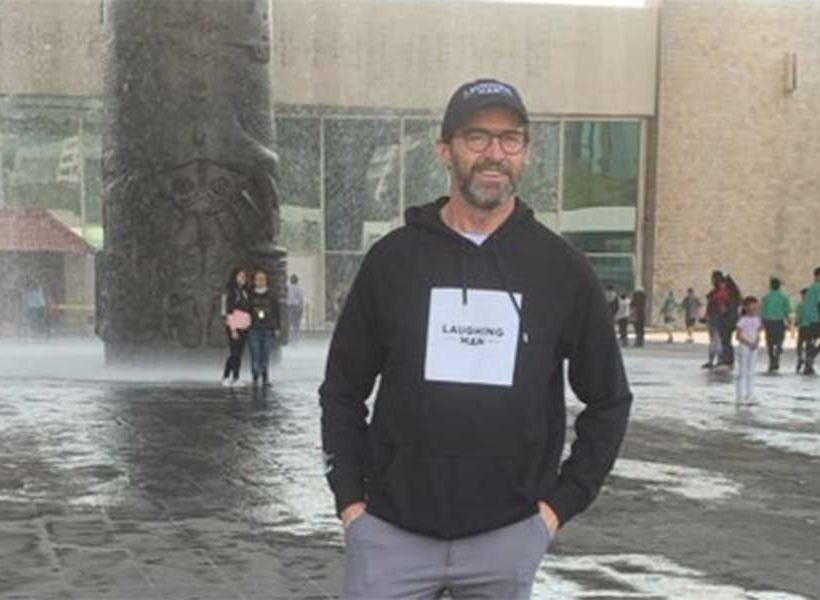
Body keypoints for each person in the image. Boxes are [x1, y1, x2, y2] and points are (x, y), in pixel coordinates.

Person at [320, 78, 632, 600]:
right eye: (477, 137)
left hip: (507, 537)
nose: (494, 154)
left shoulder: (560, 269)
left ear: (526, 153)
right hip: (391, 534)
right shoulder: (394, 260)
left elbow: (609, 399)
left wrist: (556, 509)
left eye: (510, 139)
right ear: (445, 150)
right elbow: (342, 390)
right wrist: (351, 503)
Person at [246, 269, 281, 387]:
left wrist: (277, 327)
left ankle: (265, 378)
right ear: (254, 281)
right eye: (258, 279)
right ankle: (255, 377)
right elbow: (246, 311)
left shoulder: (272, 295)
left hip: (267, 328)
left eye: (263, 279)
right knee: (255, 354)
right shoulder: (250, 295)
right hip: (253, 328)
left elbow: (276, 312)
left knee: (265, 354)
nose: (260, 281)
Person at [221, 267, 252, 387]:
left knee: (238, 354)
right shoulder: (232, 292)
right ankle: (232, 377)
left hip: (244, 326)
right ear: (235, 277)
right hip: (234, 326)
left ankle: (230, 377)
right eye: (240, 276)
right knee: (235, 353)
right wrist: (233, 329)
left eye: (244, 276)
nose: (243, 279)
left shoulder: (245, 292)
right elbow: (229, 312)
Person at [798, 267, 820, 375]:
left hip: (809, 318)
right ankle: (809, 361)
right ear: (819, 275)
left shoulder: (811, 287)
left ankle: (808, 364)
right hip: (817, 318)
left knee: (811, 341)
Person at [735, 296, 763, 403]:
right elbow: (738, 336)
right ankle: (740, 396)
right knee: (742, 371)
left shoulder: (757, 319)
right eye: (751, 307)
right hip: (744, 347)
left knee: (751, 372)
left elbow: (758, 332)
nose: (754, 309)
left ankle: (750, 395)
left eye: (755, 307)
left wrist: (756, 342)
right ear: (746, 307)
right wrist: (748, 343)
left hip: (754, 347)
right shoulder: (742, 320)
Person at [760, 277, 791, 373]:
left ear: (770, 286)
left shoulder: (766, 297)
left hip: (769, 322)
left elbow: (763, 311)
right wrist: (789, 322)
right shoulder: (784, 297)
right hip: (779, 322)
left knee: (769, 342)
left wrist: (762, 322)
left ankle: (771, 360)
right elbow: (787, 311)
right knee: (780, 340)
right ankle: (777, 356)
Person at [286, 274, 305, 340]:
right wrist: (301, 306)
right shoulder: (299, 288)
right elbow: (301, 298)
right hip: (296, 306)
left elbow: (286, 297)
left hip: (289, 306)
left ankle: (289, 336)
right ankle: (295, 336)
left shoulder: (288, 288)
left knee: (289, 322)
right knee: (296, 322)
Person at [794, 287, 808, 374]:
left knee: (800, 344)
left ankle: (800, 357)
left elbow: (798, 317)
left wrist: (796, 322)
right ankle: (807, 359)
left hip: (803, 327)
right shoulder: (813, 305)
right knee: (809, 344)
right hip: (811, 327)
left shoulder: (800, 305)